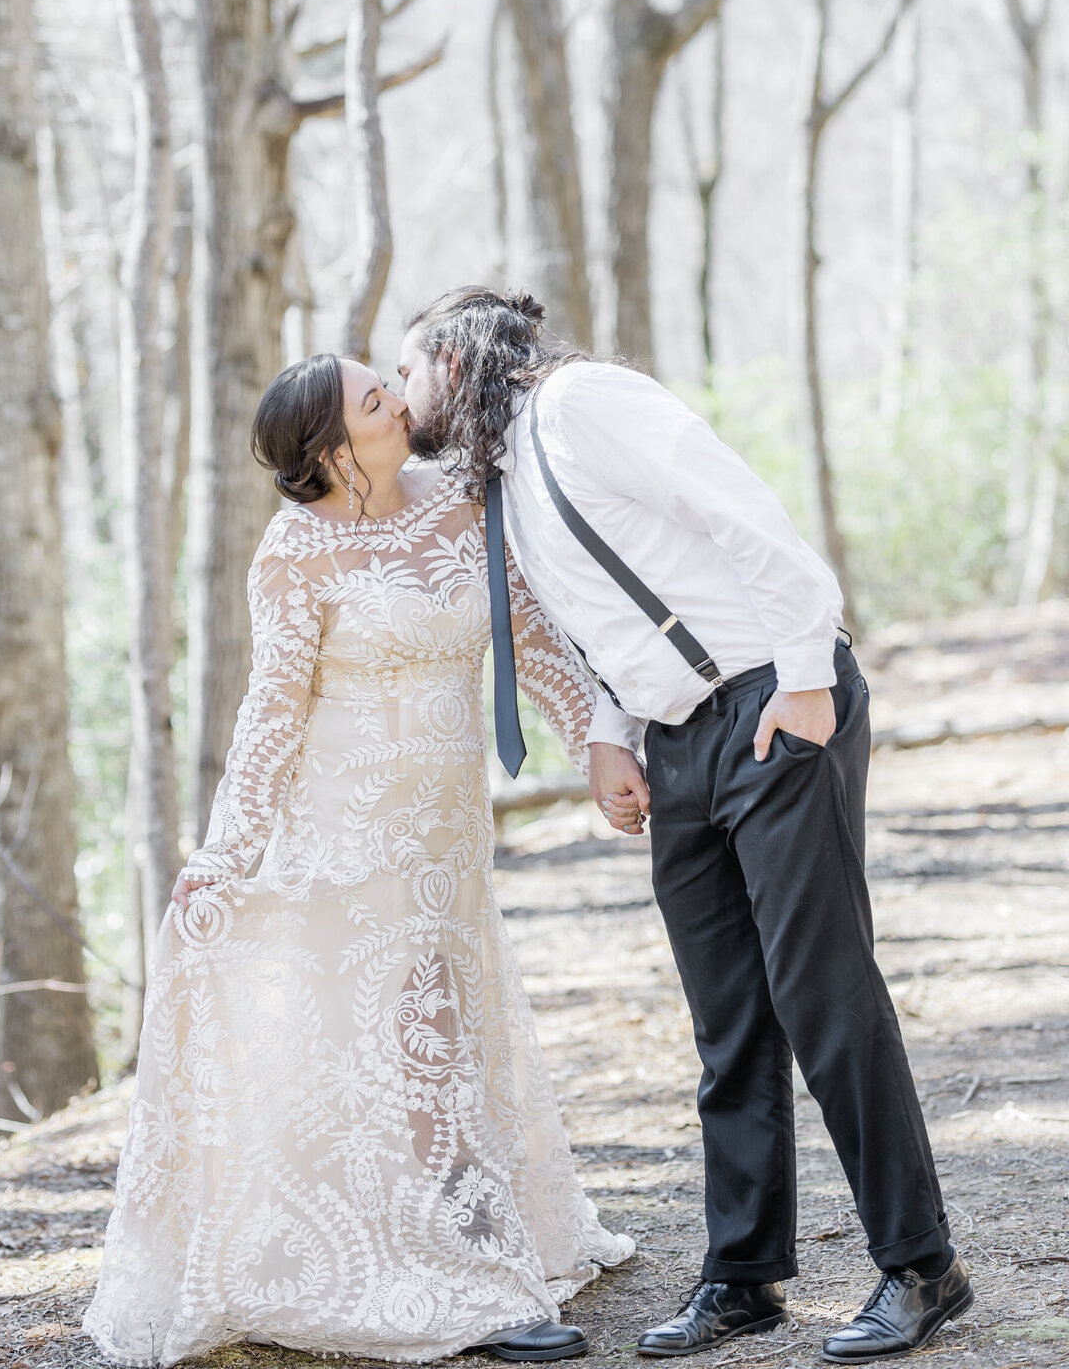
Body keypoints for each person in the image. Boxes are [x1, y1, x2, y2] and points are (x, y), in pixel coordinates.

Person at [399, 287, 973, 1364]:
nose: (400, 394)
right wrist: (613, 737)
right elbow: (605, 615)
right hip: (680, 742)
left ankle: (921, 1266)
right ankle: (745, 1279)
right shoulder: (507, 476)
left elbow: (742, 511)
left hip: (771, 702)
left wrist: (804, 680)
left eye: (407, 369)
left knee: (826, 997)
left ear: (452, 353)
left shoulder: (580, 404)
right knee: (728, 1021)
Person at [83, 351, 632, 1369]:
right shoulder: (295, 553)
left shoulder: (467, 504)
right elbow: (271, 714)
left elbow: (535, 643)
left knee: (445, 1023)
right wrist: (228, 849)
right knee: (407, 1042)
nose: (400, 399)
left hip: (449, 836)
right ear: (335, 451)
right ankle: (472, 1279)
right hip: (345, 837)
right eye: (376, 399)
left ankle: (475, 1239)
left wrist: (606, 755)